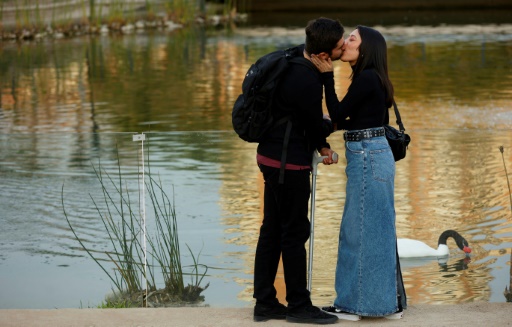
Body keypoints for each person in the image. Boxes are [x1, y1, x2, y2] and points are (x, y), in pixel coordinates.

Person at [310, 25, 407, 321]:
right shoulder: (374, 78)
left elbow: (339, 113)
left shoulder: (366, 78)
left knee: (358, 233)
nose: (345, 43)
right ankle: (383, 303)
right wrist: (334, 125)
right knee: (376, 231)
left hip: (367, 157)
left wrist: (326, 78)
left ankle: (353, 305)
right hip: (374, 155)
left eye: (352, 39)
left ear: (365, 49)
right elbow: (367, 121)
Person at [252, 17, 344, 324]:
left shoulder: (291, 58)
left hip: (269, 155)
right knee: (294, 232)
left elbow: (301, 119)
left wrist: (321, 145)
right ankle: (299, 306)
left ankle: (265, 303)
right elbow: (314, 122)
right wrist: (328, 129)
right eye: (339, 44)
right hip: (288, 164)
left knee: (272, 230)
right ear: (325, 55)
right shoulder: (307, 79)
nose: (343, 46)